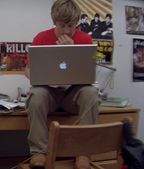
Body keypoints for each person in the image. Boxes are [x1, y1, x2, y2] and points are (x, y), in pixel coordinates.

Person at [24, 0, 100, 168]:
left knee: (91, 93)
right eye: (62, 25)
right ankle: (39, 152)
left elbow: (89, 74)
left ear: (77, 22)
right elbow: (28, 70)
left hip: (73, 95)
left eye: (71, 26)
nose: (67, 30)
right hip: (48, 94)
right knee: (36, 94)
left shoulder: (85, 39)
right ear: (54, 22)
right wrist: (37, 78)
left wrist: (72, 51)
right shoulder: (41, 37)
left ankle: (83, 152)